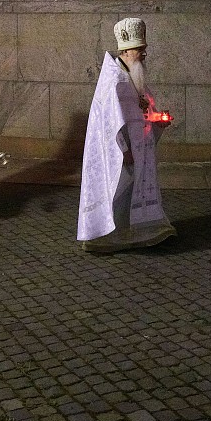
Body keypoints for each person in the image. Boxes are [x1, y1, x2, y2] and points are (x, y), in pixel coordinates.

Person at [77, 17, 176, 252]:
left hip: (139, 147)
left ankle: (138, 231)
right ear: (127, 51)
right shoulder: (115, 81)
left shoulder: (134, 75)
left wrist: (157, 121)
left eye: (144, 49)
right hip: (123, 150)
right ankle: (106, 236)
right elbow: (109, 124)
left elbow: (141, 110)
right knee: (118, 191)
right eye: (140, 50)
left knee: (134, 191)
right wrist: (123, 150)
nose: (144, 55)